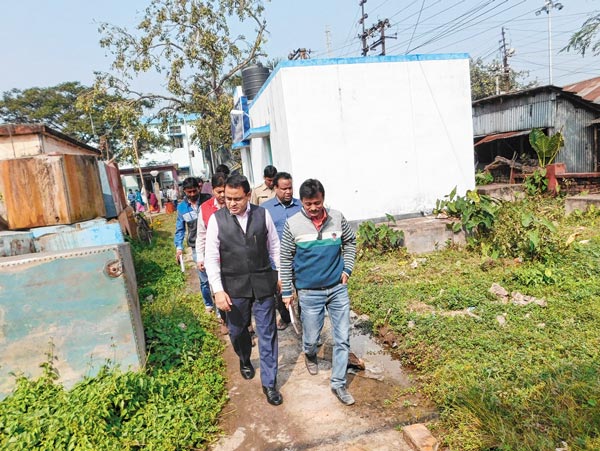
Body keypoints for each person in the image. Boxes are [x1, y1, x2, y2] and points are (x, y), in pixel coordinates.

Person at [205, 174, 283, 406]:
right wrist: (218, 290)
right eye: (228, 198)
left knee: (268, 333)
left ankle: (269, 383)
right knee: (237, 331)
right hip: (233, 287)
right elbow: (211, 259)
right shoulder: (217, 220)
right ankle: (244, 357)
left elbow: (275, 247)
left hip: (262, 284)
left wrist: (279, 275)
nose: (231, 203)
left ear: (248, 195)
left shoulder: (262, 214)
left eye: (237, 198)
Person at [280, 179, 357, 406]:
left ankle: (338, 383)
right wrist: (287, 290)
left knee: (342, 338)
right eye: (308, 204)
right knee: (312, 338)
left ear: (323, 199)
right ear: (302, 202)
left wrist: (347, 269)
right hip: (309, 292)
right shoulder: (292, 224)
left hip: (337, 289)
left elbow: (350, 242)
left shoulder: (337, 218)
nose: (313, 208)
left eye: (317, 203)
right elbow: (285, 258)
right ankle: (310, 353)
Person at [261, 172, 302, 330]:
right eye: (284, 188)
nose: (288, 192)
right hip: (277, 261)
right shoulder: (265, 209)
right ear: (275, 188)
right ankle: (285, 317)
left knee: (303, 292)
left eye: (290, 188)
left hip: (299, 259)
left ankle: (305, 322)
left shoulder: (301, 206)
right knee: (280, 292)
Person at [175, 177, 215, 312]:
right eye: (189, 192)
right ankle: (209, 304)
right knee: (204, 278)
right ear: (184, 191)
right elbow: (180, 229)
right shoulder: (182, 208)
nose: (192, 194)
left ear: (199, 188)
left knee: (217, 274)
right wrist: (179, 248)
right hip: (196, 247)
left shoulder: (209, 200)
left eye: (194, 191)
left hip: (214, 243)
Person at [195, 172, 228, 333]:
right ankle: (223, 319)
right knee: (217, 288)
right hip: (214, 258)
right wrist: (200, 257)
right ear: (213, 190)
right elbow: (201, 235)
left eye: (224, 190)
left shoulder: (234, 205)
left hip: (234, 257)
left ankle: (245, 324)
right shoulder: (205, 208)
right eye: (218, 191)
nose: (222, 195)